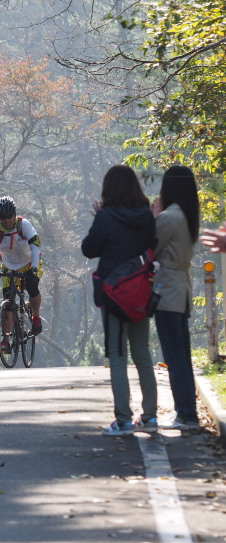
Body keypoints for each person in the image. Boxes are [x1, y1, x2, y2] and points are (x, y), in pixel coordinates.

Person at [81, 165, 158, 436]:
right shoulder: (146, 215)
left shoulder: (106, 216)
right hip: (140, 290)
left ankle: (123, 419)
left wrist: (99, 219)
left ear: (108, 189)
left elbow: (89, 249)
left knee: (117, 354)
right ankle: (149, 416)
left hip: (114, 293)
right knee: (142, 352)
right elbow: (153, 246)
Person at [151, 165, 200, 430]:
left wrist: (153, 217)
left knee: (174, 355)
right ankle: (187, 411)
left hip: (167, 291)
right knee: (181, 353)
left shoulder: (169, 217)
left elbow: (150, 246)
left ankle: (186, 414)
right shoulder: (187, 216)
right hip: (182, 289)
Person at [0, 196, 43, 353]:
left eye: (9, 216)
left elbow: (35, 247)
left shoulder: (24, 225)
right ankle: (5, 340)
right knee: (8, 302)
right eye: (3, 217)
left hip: (29, 262)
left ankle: (35, 316)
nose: (7, 220)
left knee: (32, 286)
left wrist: (34, 267)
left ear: (14, 214)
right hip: (9, 266)